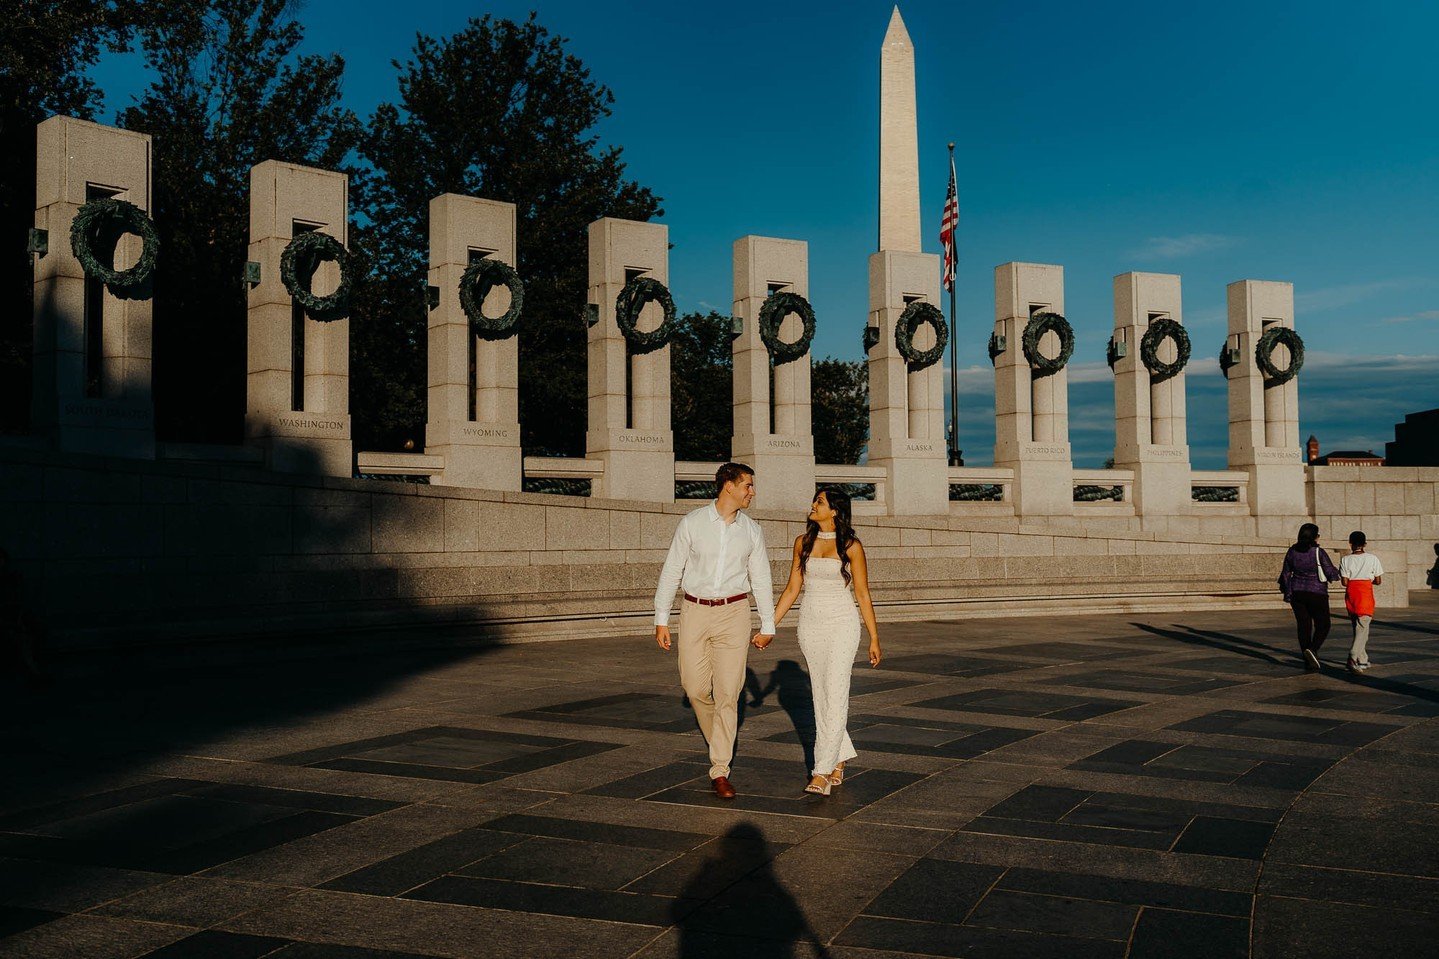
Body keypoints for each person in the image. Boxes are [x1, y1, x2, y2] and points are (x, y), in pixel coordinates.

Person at [654, 463, 775, 799]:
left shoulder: (752, 530)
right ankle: (718, 740)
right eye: (747, 486)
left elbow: (761, 578)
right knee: (694, 689)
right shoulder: (692, 523)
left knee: (728, 694)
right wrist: (661, 618)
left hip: (735, 613)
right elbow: (672, 571)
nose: (752, 492)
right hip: (694, 611)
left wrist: (768, 624)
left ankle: (720, 768)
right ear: (728, 486)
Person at [760, 487, 881, 796]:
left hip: (843, 625)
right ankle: (839, 756)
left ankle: (822, 770)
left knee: (836, 693)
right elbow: (791, 589)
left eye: (820, 502)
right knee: (822, 697)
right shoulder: (803, 543)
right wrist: (768, 625)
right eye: (815, 500)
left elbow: (863, 594)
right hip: (811, 626)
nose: (813, 505)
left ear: (835, 511)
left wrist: (874, 638)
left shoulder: (852, 546)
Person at [1277, 522, 1340, 671]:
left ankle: (1308, 660)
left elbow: (1286, 573)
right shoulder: (1318, 552)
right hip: (1316, 592)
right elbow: (1330, 572)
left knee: (1304, 626)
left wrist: (1287, 591)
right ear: (1314, 537)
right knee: (1324, 624)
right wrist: (1340, 574)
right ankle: (1312, 649)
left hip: (1297, 592)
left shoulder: (1292, 551)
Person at [1339, 530, 1383, 674]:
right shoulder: (1372, 559)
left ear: (1350, 543)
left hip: (1351, 593)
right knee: (1363, 627)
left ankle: (1362, 659)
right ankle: (1352, 656)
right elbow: (1378, 580)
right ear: (1365, 543)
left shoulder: (1345, 560)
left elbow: (1344, 582)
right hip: (1365, 593)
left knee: (1358, 628)